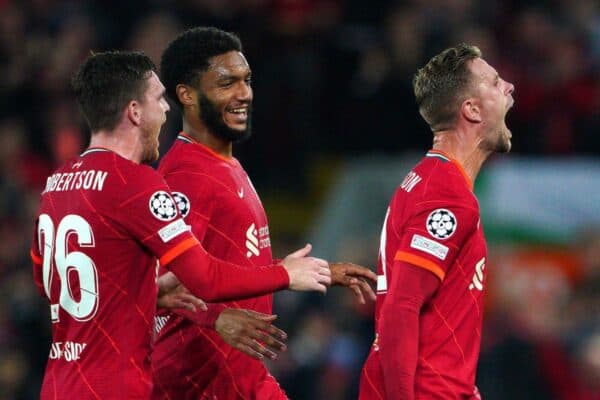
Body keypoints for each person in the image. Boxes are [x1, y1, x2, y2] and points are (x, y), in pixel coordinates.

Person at [30, 50, 333, 400]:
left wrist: (149, 295)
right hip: (115, 388)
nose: (167, 108)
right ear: (134, 112)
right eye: (158, 98)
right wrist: (284, 273)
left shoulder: (55, 184)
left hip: (58, 385)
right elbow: (204, 277)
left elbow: (50, 285)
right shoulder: (133, 184)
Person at [151, 27, 377, 400]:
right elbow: (161, 285)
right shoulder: (184, 176)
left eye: (246, 80)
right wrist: (217, 316)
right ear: (186, 95)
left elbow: (224, 261)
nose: (244, 94)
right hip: (198, 381)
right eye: (226, 83)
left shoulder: (225, 166)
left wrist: (314, 271)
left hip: (242, 378)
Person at [358, 43, 515, 399]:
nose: (509, 86)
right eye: (494, 82)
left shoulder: (430, 180)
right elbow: (402, 307)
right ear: (471, 110)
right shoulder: (447, 195)